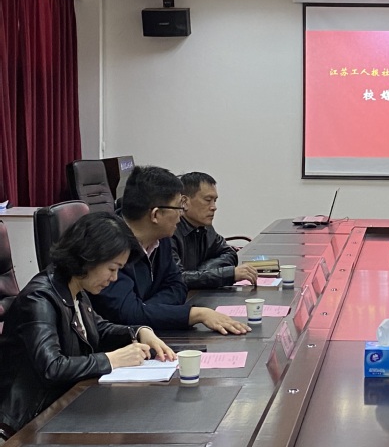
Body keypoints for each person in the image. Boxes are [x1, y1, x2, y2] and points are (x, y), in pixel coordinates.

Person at [0, 212, 175, 440]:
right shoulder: (39, 299)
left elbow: (97, 329)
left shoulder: (76, 289)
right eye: (112, 269)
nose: (114, 278)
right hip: (29, 423)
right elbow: (52, 368)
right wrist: (112, 359)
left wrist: (139, 332)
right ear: (90, 257)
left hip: (66, 406)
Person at [89, 166, 250, 335]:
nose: (181, 214)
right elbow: (126, 314)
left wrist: (144, 309)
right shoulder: (109, 245)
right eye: (178, 208)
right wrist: (195, 314)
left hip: (149, 333)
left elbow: (178, 286)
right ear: (155, 215)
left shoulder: (160, 236)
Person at [171, 172, 257, 289]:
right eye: (208, 200)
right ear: (184, 202)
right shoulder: (169, 230)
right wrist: (228, 274)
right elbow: (178, 278)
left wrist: (201, 272)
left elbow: (230, 254)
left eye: (215, 201)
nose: (214, 207)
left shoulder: (205, 227)